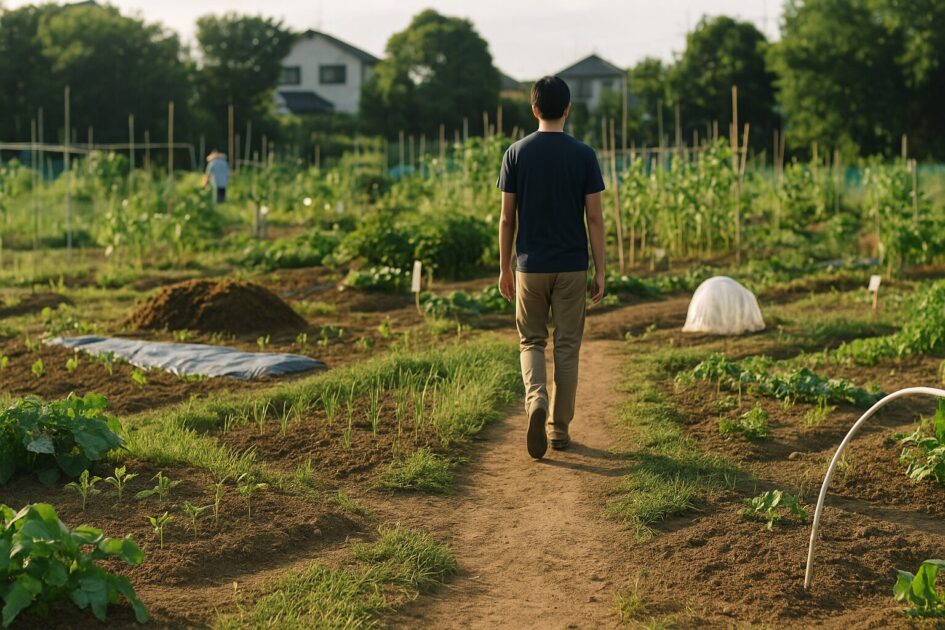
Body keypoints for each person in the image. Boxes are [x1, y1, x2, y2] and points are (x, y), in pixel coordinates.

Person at [496, 75, 606, 460]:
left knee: (531, 341)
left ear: (533, 108)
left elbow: (507, 218)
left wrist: (505, 267)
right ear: (568, 109)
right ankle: (559, 429)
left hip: (529, 266)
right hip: (573, 266)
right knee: (567, 346)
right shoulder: (583, 155)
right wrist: (601, 270)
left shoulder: (516, 153)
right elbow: (594, 218)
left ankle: (535, 401)